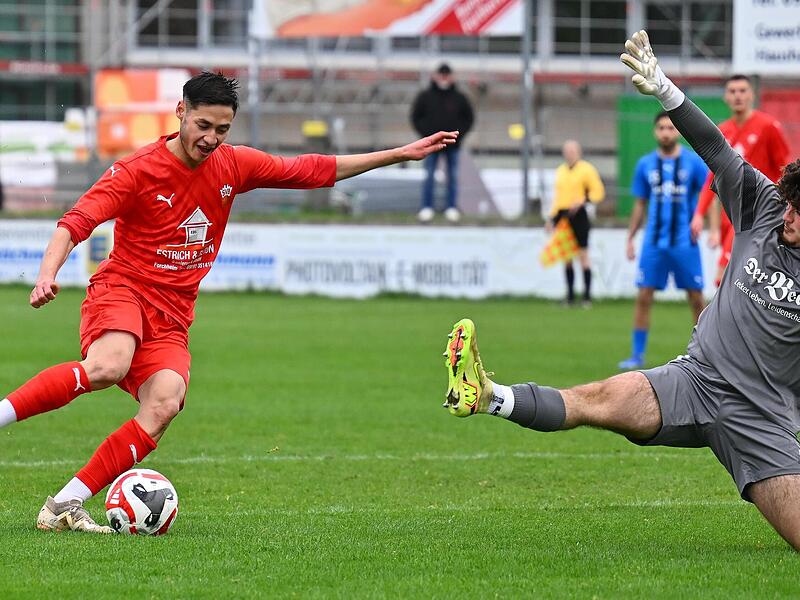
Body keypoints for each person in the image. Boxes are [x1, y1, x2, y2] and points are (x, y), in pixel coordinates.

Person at [0, 72, 458, 534]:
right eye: (202, 126)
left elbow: (311, 170)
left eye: (222, 130)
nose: (211, 139)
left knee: (165, 402)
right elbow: (76, 221)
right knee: (109, 365)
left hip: (173, 315)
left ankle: (65, 504)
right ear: (180, 112)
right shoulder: (137, 170)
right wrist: (46, 273)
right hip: (123, 290)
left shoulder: (233, 166)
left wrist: (399, 154)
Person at [442, 31, 800, 551]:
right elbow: (716, 149)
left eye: (799, 212)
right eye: (789, 204)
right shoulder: (765, 208)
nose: (788, 215)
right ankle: (486, 396)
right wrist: (665, 90)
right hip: (695, 380)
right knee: (599, 399)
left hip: (760, 418)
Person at [618, 112, 708, 370]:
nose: (666, 132)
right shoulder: (645, 164)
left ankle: (705, 352)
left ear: (677, 131)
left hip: (685, 242)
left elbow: (708, 194)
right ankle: (637, 355)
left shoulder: (693, 162)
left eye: (670, 127)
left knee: (696, 297)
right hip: (654, 243)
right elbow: (639, 204)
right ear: (655, 132)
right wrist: (630, 237)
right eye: (661, 128)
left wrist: (707, 224)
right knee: (644, 296)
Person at [690, 74, 790, 286]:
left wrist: (784, 209)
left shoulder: (768, 126)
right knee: (740, 282)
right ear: (726, 97)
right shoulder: (723, 130)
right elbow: (714, 175)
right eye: (732, 91)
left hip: (757, 214)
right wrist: (699, 213)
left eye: (742, 91)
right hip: (730, 216)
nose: (738, 96)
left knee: (724, 278)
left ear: (752, 95)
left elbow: (786, 171)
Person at [410, 63, 474, 223]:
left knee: (453, 176)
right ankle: (426, 207)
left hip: (453, 146)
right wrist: (426, 135)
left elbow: (469, 119)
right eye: (441, 75)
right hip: (431, 145)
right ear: (435, 76)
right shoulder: (425, 96)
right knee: (429, 176)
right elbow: (415, 117)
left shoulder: (459, 98)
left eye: (447, 75)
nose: (444, 78)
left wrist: (459, 136)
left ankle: (451, 207)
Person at [548, 140, 605, 307]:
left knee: (583, 256)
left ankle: (586, 297)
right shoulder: (561, 171)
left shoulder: (586, 169)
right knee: (566, 257)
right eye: (567, 151)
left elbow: (598, 191)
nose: (569, 154)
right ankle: (570, 296)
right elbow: (558, 198)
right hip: (563, 216)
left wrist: (583, 200)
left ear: (578, 152)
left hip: (579, 215)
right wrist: (552, 218)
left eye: (572, 151)